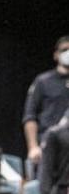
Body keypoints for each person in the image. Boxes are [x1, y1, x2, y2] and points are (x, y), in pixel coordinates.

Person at [23, 36, 69, 169]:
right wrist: (33, 147)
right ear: (56, 55)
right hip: (48, 146)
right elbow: (30, 116)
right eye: (64, 50)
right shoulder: (43, 81)